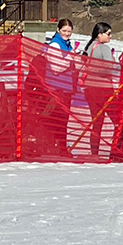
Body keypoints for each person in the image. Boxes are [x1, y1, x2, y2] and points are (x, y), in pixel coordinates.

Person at [82, 22, 119, 155]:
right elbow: (110, 68)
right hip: (103, 89)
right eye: (108, 33)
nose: (110, 36)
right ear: (100, 34)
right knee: (118, 120)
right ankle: (117, 150)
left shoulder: (89, 46)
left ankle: (94, 152)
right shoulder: (104, 48)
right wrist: (118, 64)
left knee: (97, 122)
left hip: (89, 88)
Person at [45, 19, 77, 154]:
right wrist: (71, 58)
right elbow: (56, 68)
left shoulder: (67, 45)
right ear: (58, 30)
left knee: (63, 120)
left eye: (69, 31)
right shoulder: (55, 45)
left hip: (66, 88)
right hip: (56, 88)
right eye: (64, 31)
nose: (67, 34)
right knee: (56, 119)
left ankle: (61, 147)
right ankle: (55, 147)